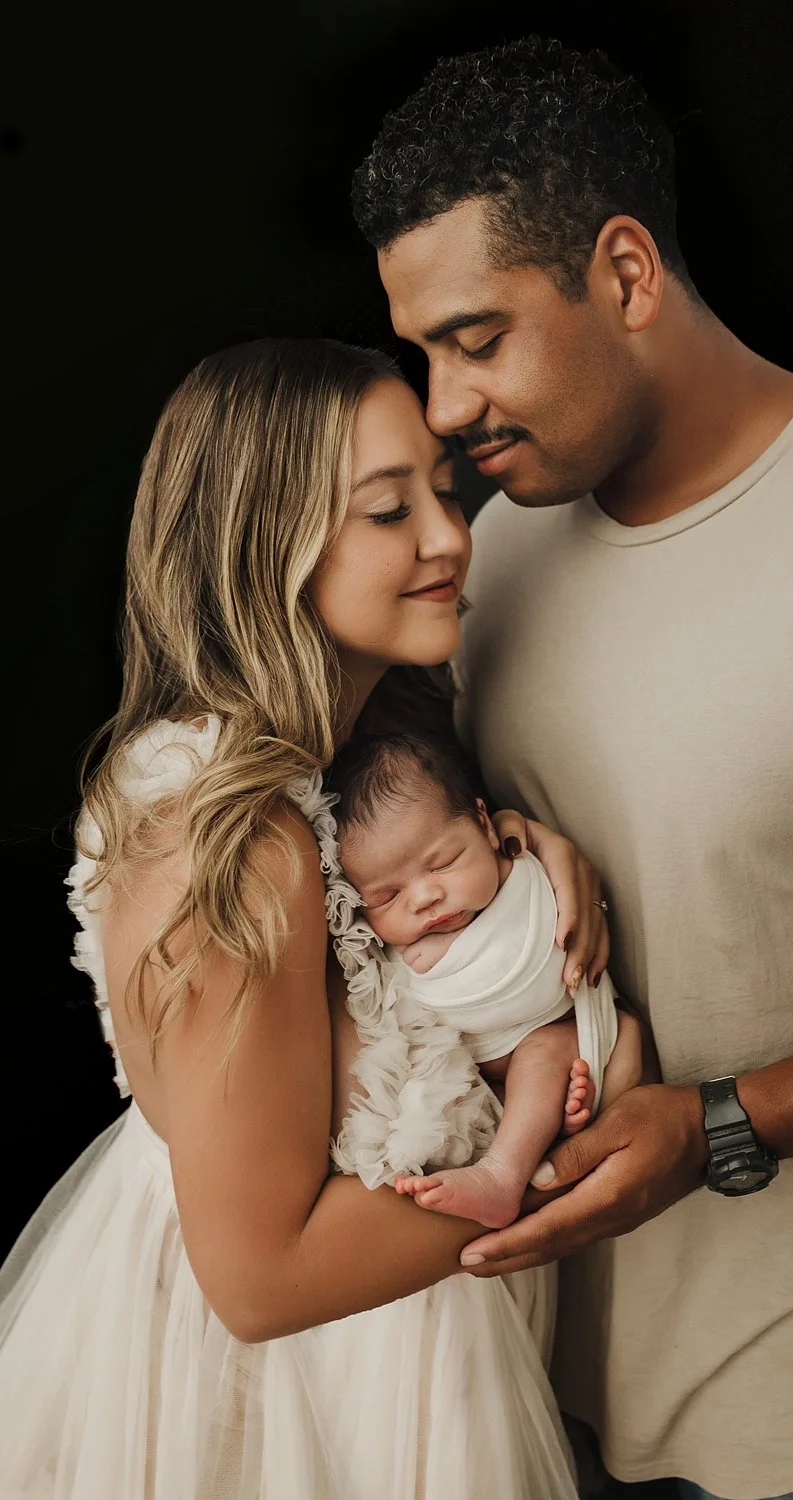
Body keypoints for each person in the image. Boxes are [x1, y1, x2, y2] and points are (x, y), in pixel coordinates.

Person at [351, 34, 793, 1500]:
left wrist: (721, 1126)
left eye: (477, 337)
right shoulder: (487, 547)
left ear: (627, 273)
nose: (443, 408)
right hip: (518, 1369)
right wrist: (523, 835)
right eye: (420, 354)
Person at [0, 336, 617, 1498]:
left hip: (389, 1328)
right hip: (303, 1376)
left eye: (441, 491)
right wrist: (580, 1164)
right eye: (389, 511)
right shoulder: (239, 838)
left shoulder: (326, 774)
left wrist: (515, 865)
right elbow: (260, 1281)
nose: (450, 536)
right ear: (261, 547)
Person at [329, 729, 642, 1228]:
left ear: (485, 824)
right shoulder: (380, 952)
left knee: (546, 1053)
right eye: (387, 897)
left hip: (558, 1035)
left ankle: (502, 1175)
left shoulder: (525, 873)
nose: (424, 897)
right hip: (472, 1078)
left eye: (444, 862)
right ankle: (537, 1126)